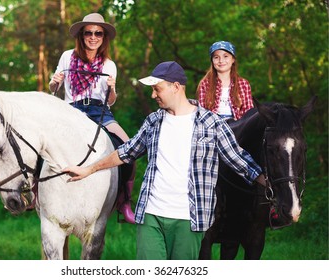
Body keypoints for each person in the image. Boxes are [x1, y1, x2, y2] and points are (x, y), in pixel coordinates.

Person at [62, 61, 266, 260]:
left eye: (157, 89)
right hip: (151, 216)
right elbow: (126, 152)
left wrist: (270, 186)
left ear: (176, 87)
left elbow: (239, 159)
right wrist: (88, 170)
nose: (153, 95)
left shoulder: (212, 123)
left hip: (190, 219)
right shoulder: (154, 121)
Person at [48, 13, 135, 224]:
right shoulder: (67, 57)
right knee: (43, 141)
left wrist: (112, 89)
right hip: (71, 110)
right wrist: (54, 81)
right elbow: (54, 89)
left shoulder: (108, 65)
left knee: (128, 147)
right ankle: (33, 192)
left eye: (98, 33)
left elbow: (111, 100)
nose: (93, 37)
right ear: (82, 35)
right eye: (89, 32)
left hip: (100, 111)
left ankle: (124, 202)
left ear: (103, 37)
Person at [196, 41, 254, 120]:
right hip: (213, 126)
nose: (221, 60)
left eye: (225, 56)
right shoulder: (205, 84)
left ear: (233, 59)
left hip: (238, 126)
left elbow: (249, 113)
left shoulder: (243, 84)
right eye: (216, 57)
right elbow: (202, 113)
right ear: (212, 61)